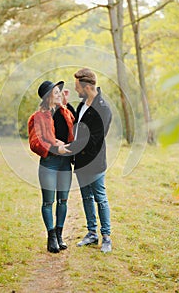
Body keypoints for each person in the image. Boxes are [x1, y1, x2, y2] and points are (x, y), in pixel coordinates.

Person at [61, 68, 112, 253]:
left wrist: (68, 148)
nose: (76, 90)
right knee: (86, 198)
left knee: (100, 198)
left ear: (87, 86)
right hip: (81, 163)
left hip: (95, 163)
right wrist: (66, 106)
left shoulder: (103, 110)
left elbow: (92, 140)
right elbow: (77, 126)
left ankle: (106, 237)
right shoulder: (83, 105)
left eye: (77, 87)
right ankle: (92, 233)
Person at [28, 80, 75, 253]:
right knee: (48, 201)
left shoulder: (64, 112)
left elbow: (74, 125)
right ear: (48, 96)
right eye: (56, 92)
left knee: (63, 200)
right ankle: (51, 237)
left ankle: (60, 235)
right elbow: (35, 143)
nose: (59, 94)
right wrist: (56, 148)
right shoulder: (37, 117)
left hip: (64, 163)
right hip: (49, 162)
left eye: (59, 92)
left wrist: (66, 102)